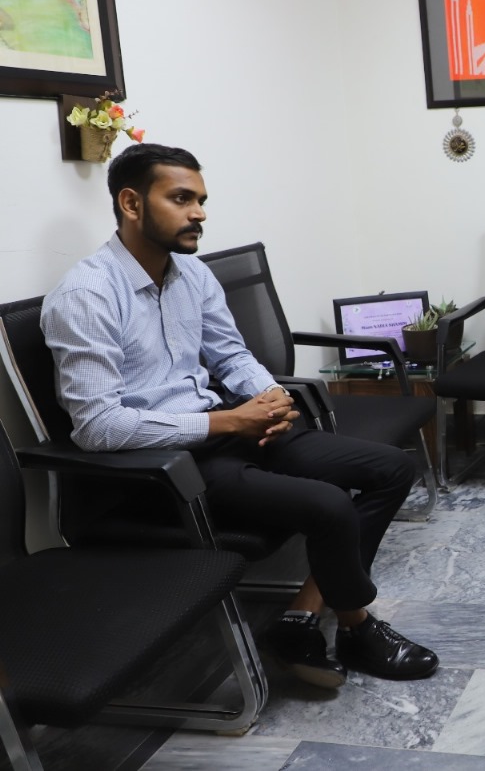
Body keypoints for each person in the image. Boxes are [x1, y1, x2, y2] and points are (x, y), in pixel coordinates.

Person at [41, 143, 438, 690]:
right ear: (131, 203)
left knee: (392, 468)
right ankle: (356, 626)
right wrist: (230, 422)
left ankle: (299, 619)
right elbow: (98, 427)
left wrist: (269, 397)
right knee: (329, 505)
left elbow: (230, 356)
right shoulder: (86, 296)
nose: (198, 213)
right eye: (181, 199)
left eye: (201, 201)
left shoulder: (191, 275)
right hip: (163, 467)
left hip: (227, 431)